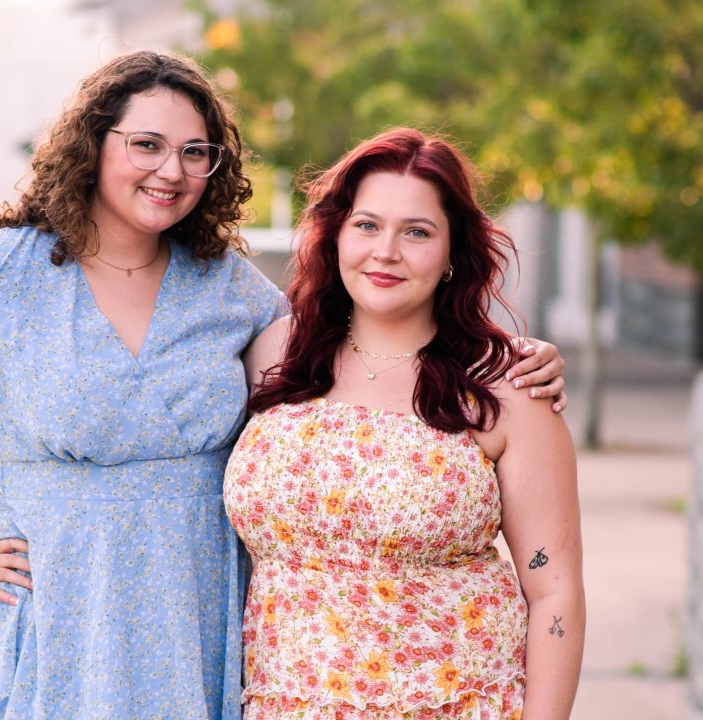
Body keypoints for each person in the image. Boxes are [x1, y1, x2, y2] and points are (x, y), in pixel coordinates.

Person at [0, 52, 568, 720]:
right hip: (62, 628)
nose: (171, 170)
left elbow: (366, 343)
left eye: (195, 151)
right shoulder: (0, 275)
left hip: (201, 635)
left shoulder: (229, 289)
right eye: (146, 144)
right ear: (90, 145)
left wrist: (509, 361)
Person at [225, 128, 585, 719]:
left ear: (452, 254)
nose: (385, 251)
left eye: (416, 232)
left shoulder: (508, 386)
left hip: (453, 703)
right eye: (367, 225)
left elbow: (555, 592)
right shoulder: (275, 352)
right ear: (335, 233)